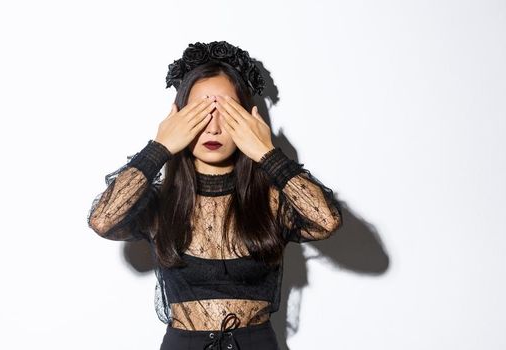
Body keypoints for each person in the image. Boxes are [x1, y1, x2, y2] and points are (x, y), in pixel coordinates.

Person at [87, 41, 343, 350]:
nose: (213, 127)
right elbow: (103, 220)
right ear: (179, 118)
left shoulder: (272, 200)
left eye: (226, 112)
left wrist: (266, 151)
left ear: (247, 117)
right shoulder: (161, 202)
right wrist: (160, 147)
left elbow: (326, 220)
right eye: (200, 112)